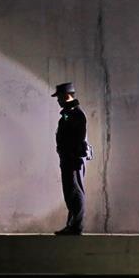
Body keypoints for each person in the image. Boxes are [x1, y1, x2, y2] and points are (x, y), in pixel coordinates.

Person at [53, 82, 91, 235]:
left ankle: (76, 226)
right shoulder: (69, 112)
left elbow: (77, 138)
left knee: (75, 191)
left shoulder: (75, 113)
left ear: (67, 96)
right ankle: (72, 224)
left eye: (59, 97)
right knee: (71, 192)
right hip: (69, 157)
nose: (58, 100)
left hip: (72, 158)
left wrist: (70, 154)